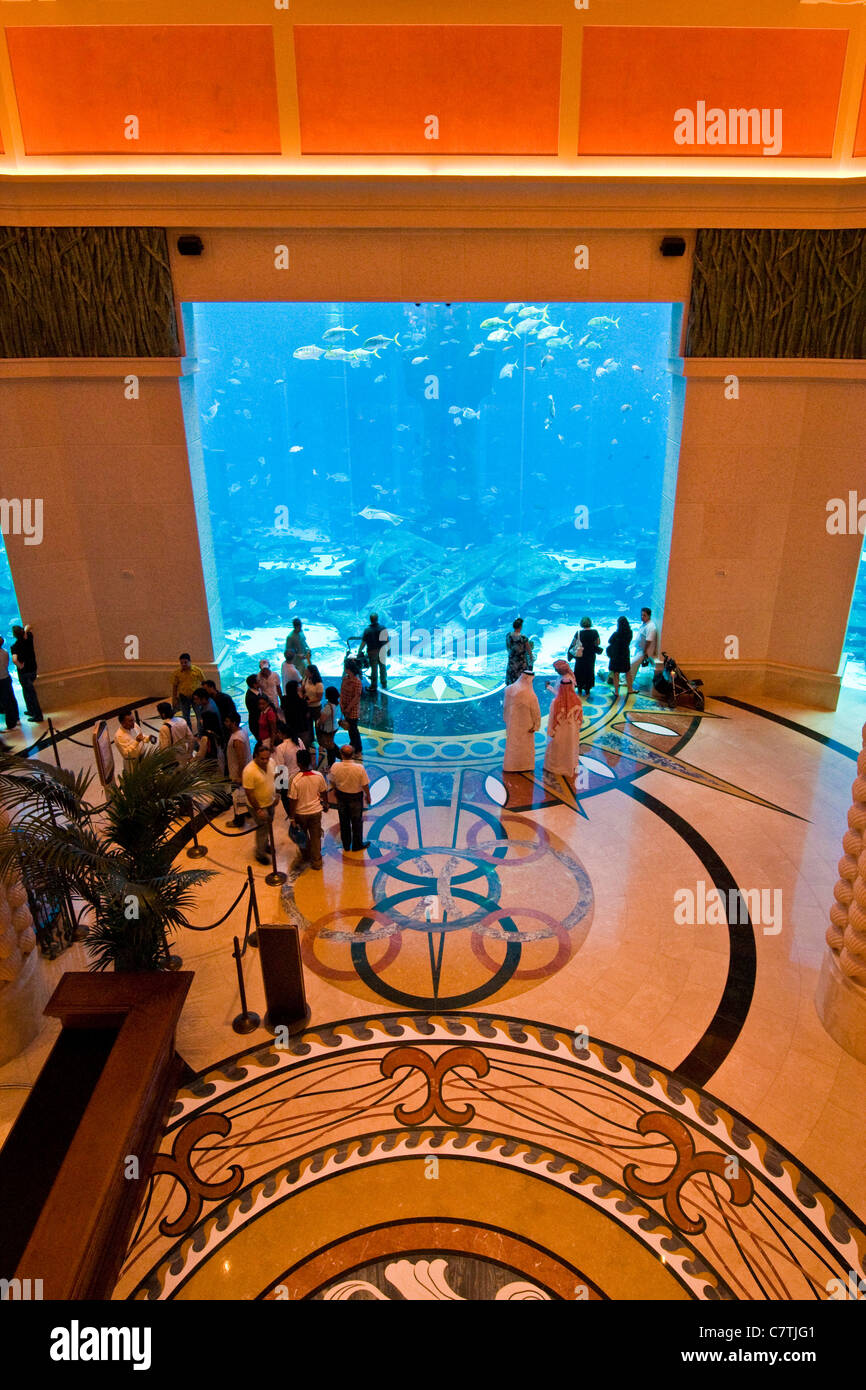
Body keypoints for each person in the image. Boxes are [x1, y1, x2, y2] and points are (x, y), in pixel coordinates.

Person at [287, 747, 328, 871]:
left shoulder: (295, 780)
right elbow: (324, 792)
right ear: (310, 760)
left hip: (301, 814)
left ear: (298, 763)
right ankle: (317, 862)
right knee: (316, 837)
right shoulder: (318, 776)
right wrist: (325, 804)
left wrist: (292, 817)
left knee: (302, 836)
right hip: (315, 812)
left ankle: (306, 857)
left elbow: (293, 801)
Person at [543, 660, 582, 779]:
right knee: (570, 746)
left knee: (559, 747)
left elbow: (552, 720)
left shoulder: (556, 703)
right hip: (571, 732)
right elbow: (580, 719)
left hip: (559, 731)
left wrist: (549, 687)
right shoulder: (577, 701)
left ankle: (556, 766)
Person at [330, 743, 371, 852]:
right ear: (352, 754)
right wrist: (368, 795)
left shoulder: (335, 766)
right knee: (357, 822)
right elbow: (365, 784)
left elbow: (331, 780)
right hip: (356, 798)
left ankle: (346, 845)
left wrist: (335, 789)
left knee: (344, 821)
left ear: (341, 755)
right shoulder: (359, 768)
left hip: (341, 796)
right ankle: (357, 845)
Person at [242, 742, 277, 865]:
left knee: (268, 824)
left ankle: (265, 844)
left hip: (270, 802)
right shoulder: (249, 771)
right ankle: (260, 853)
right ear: (255, 755)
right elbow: (249, 793)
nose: (265, 761)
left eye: (267, 758)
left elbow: (276, 776)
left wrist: (277, 794)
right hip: (258, 806)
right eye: (262, 758)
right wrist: (258, 810)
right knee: (262, 828)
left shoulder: (271, 762)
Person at [503, 668, 541, 772]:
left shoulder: (509, 689)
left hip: (512, 723)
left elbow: (505, 707)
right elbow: (536, 713)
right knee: (525, 747)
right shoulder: (531, 695)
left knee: (512, 744)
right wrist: (536, 726)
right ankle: (524, 766)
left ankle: (510, 766)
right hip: (526, 725)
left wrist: (506, 719)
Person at [10, 624, 43, 722]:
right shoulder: (29, 639)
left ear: (14, 635)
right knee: (27, 691)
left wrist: (20, 666)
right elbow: (29, 626)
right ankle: (31, 710)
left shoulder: (15, 646)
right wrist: (25, 632)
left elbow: (14, 660)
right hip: (33, 669)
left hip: (24, 673)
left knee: (31, 694)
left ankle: (38, 715)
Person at [225, 713, 252, 825]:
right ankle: (248, 812)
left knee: (237, 796)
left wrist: (240, 776)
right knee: (245, 795)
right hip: (244, 771)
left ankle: (238, 820)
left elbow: (241, 758)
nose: (225, 723)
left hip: (238, 773)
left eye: (227, 721)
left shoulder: (237, 739)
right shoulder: (242, 732)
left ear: (234, 723)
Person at [272, 729, 306, 817]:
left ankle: (293, 821)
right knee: (301, 800)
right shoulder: (298, 741)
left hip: (288, 780)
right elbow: (305, 756)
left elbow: (280, 769)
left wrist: (277, 787)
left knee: (288, 802)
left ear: (280, 733)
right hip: (301, 776)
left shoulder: (280, 748)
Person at [628, 606, 659, 695]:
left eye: (644, 615)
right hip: (639, 650)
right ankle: (628, 681)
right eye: (641, 615)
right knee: (633, 666)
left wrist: (645, 651)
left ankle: (628, 682)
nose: (642, 617)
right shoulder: (645, 624)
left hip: (643, 651)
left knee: (632, 665)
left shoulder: (651, 627)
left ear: (649, 616)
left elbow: (649, 641)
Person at [569, 617, 603, 698]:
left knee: (579, 670)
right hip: (590, 655)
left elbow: (573, 643)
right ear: (590, 623)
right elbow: (598, 643)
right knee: (589, 670)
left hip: (580, 655)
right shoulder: (595, 632)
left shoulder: (578, 633)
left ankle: (579, 688)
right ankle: (587, 689)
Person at [171, 653, 205, 731]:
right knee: (186, 716)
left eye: (185, 662)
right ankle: (189, 732)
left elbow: (203, 683)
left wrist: (203, 697)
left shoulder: (197, 671)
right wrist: (174, 698)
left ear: (190, 661)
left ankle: (200, 732)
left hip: (196, 697)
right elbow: (175, 686)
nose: (183, 664)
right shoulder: (177, 673)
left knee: (199, 715)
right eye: (182, 663)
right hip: (183, 697)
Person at [358, 612, 389, 694]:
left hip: (372, 652)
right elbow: (386, 641)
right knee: (383, 668)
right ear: (377, 619)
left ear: (370, 620)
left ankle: (373, 686)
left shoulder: (367, 630)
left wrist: (359, 651)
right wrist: (389, 650)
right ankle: (384, 683)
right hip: (382, 651)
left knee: (374, 670)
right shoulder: (382, 628)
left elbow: (363, 642)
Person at [156, 700, 194, 765]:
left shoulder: (164, 728)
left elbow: (165, 747)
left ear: (163, 714)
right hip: (183, 753)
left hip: (173, 759)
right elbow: (191, 739)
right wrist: (189, 754)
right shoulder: (182, 720)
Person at [340, 658, 363, 753]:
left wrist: (348, 708)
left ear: (349, 669)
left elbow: (356, 697)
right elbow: (342, 691)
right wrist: (341, 704)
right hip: (345, 707)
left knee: (353, 729)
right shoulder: (345, 678)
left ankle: (357, 748)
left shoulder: (357, 682)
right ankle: (352, 743)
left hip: (352, 710)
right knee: (350, 729)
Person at [606, 617, 633, 696]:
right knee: (628, 672)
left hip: (616, 655)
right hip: (625, 655)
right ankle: (630, 689)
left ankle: (616, 691)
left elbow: (609, 641)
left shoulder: (616, 634)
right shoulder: (630, 632)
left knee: (616, 673)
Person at [193, 710, 226, 775]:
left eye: (202, 719)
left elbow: (201, 755)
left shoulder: (205, 737)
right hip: (220, 764)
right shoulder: (218, 733)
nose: (200, 721)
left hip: (210, 768)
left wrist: (192, 759)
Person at [316, 686, 340, 769]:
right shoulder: (335, 704)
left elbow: (322, 720)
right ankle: (341, 755)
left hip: (328, 729)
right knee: (331, 743)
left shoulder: (328, 707)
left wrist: (317, 723)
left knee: (329, 747)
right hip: (334, 726)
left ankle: (331, 765)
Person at [505, 617, 533, 686]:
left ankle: (511, 688)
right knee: (521, 675)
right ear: (521, 627)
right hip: (521, 660)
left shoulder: (508, 635)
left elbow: (508, 646)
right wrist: (531, 656)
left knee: (512, 674)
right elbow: (528, 649)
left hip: (512, 659)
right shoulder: (523, 637)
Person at [301, 664, 324, 746]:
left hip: (316, 708)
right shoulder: (306, 679)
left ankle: (321, 742)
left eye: (307, 671)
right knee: (308, 724)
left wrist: (309, 701)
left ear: (312, 673)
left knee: (318, 726)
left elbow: (319, 697)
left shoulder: (319, 684)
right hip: (307, 707)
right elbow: (303, 689)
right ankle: (311, 740)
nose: (305, 672)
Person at [0, 636, 20, 730]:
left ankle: (10, 724)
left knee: (6, 702)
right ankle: (16, 718)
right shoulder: (5, 652)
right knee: (11, 699)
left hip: (1, 680)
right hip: (7, 678)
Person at [245, 674, 262, 741]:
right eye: (259, 681)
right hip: (257, 724)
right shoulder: (252, 698)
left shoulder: (257, 691)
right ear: (255, 684)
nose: (260, 681)